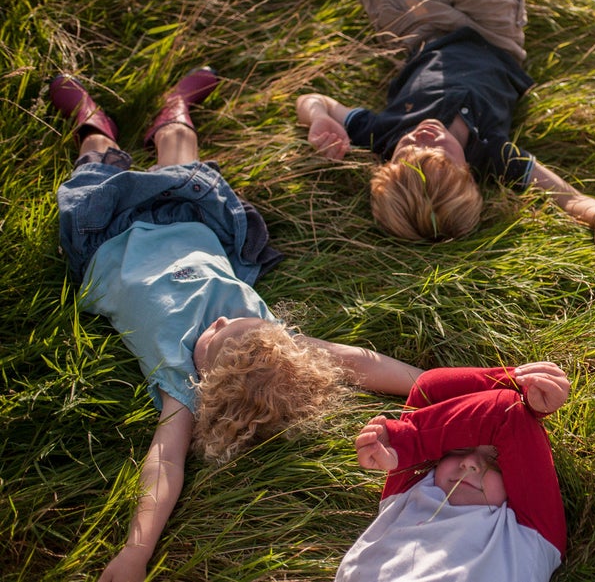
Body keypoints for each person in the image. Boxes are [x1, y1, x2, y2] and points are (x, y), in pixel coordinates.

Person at [50, 69, 424, 582]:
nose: (224, 317)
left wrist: (137, 551)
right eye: (239, 323)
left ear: (203, 381)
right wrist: (438, 385)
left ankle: (92, 123)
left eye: (216, 334)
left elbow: (165, 467)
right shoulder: (270, 340)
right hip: (188, 216)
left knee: (94, 159)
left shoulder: (180, 385)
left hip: (105, 233)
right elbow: (360, 362)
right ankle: (173, 110)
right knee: (180, 146)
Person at [297, 0, 595, 249]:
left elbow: (310, 100)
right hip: (494, 37)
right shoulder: (491, 153)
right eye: (438, 153)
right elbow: (564, 194)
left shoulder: (381, 134)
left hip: (421, 35)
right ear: (469, 174)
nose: (421, 137)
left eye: (405, 151)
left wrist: (320, 117)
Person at [335, 361, 570, 581]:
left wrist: (408, 441)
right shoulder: (412, 491)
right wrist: (521, 384)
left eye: (495, 460)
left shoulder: (531, 532)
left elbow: (506, 413)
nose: (469, 462)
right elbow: (428, 388)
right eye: (457, 449)